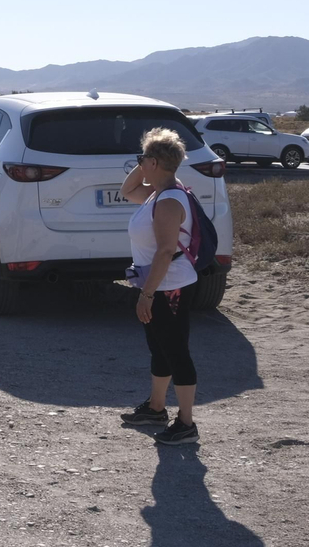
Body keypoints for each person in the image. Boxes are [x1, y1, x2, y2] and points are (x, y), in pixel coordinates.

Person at [117, 127, 201, 446]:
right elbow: (127, 190)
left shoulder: (168, 200)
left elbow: (166, 251)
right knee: (160, 348)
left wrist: (147, 294)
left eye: (143, 159)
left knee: (176, 351)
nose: (139, 165)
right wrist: (148, 164)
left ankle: (186, 423)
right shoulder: (159, 193)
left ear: (155, 162)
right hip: (159, 284)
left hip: (170, 287)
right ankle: (155, 408)